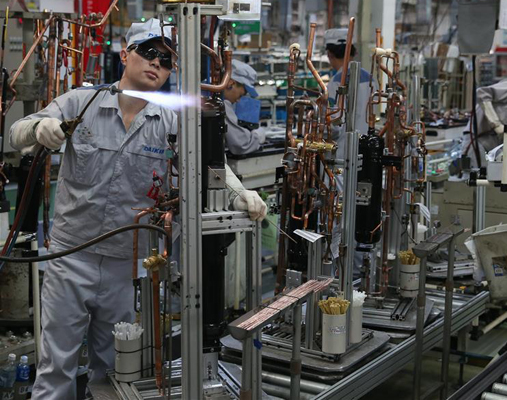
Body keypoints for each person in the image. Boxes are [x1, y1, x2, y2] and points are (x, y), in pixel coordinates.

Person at [9, 19, 265, 400]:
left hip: (127, 266)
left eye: (166, 59)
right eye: (149, 52)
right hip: (71, 257)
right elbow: (17, 134)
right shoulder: (83, 102)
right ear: (125, 54)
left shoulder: (170, 123)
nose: (157, 64)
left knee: (116, 369)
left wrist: (240, 193)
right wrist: (39, 127)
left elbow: (208, 166)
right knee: (55, 367)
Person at [324, 28, 375, 276]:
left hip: (343, 158)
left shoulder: (337, 80)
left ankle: (340, 273)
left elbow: (333, 125)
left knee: (341, 220)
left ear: (330, 54)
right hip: (369, 158)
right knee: (364, 212)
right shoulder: (370, 78)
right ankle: (361, 269)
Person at [223, 59, 266, 155]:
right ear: (231, 83)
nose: (238, 100)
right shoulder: (222, 104)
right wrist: (258, 135)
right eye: (241, 95)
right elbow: (242, 144)